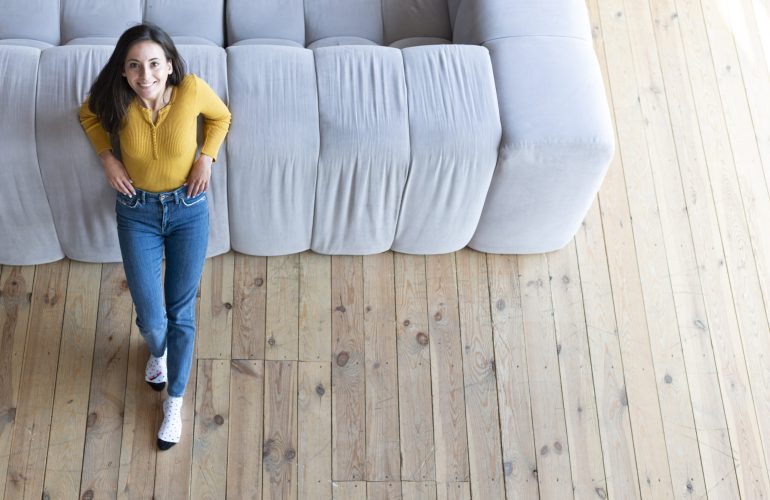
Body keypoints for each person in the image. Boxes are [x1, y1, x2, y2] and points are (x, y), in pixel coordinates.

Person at [78, 23, 231, 451]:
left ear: (168, 65)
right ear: (124, 71)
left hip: (187, 210)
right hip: (136, 213)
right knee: (150, 315)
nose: (145, 75)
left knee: (181, 313)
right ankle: (157, 354)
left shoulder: (192, 91)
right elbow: (86, 115)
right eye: (134, 66)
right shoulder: (115, 97)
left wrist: (206, 158)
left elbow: (222, 117)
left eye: (153, 64)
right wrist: (107, 158)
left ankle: (174, 404)